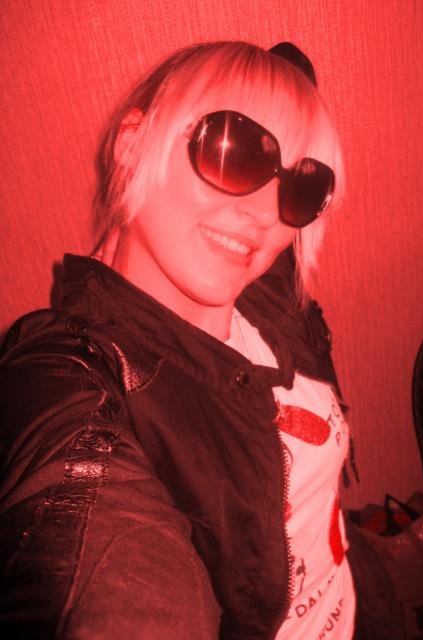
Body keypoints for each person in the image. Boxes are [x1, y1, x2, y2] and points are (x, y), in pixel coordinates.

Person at [0, 40, 357, 638]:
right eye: (235, 151)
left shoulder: (268, 287)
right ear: (133, 143)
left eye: (299, 186)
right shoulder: (74, 376)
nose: (267, 214)